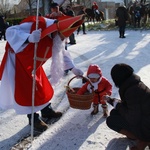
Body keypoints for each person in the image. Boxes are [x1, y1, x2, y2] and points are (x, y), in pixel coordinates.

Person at [0, 15, 84, 132]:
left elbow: (61, 53)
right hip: (18, 61)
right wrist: (29, 37)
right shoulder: (37, 24)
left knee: (41, 87)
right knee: (28, 91)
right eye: (60, 36)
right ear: (55, 30)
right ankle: (34, 119)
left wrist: (73, 68)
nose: (61, 39)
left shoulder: (56, 37)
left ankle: (46, 111)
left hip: (33, 64)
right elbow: (10, 31)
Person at [106, 63, 150, 150]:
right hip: (146, 119)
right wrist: (112, 101)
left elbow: (133, 118)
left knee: (111, 121)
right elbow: (130, 106)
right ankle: (139, 136)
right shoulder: (134, 84)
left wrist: (117, 105)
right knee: (114, 112)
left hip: (146, 125)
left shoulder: (132, 91)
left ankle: (143, 139)